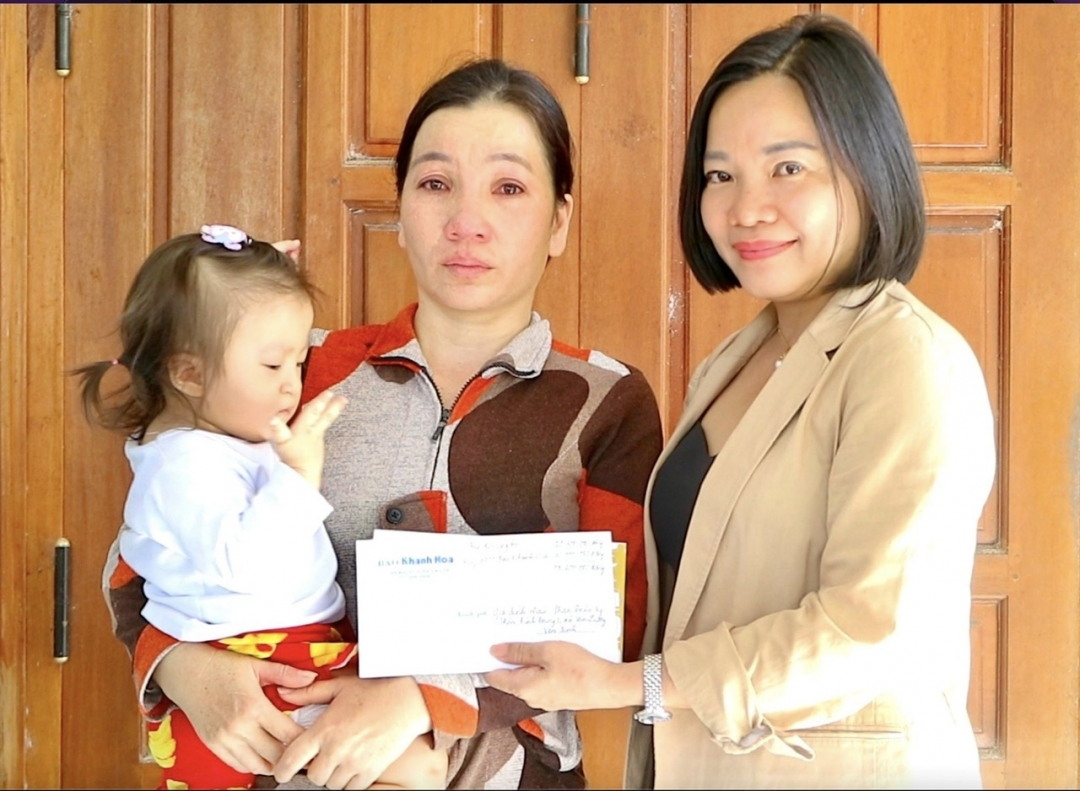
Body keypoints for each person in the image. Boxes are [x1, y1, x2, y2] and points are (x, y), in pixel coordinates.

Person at [102, 60, 664, 790]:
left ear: (559, 220)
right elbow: (146, 552)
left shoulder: (606, 399)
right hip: (286, 766)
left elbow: (614, 627)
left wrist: (422, 696)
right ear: (398, 209)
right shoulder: (299, 371)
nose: (467, 221)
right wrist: (182, 669)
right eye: (435, 184)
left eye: (509, 187)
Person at [483, 13, 996, 790]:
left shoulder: (906, 359)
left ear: (867, 167)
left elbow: (864, 631)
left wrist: (632, 683)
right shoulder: (738, 356)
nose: (745, 207)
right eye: (721, 175)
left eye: (787, 168)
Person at [83, 225, 448, 790]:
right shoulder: (181, 466)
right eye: (273, 365)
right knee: (418, 769)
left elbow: (226, 325)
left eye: (300, 362)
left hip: (293, 649)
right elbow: (242, 567)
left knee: (415, 766)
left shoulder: (222, 436)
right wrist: (299, 475)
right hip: (258, 660)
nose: (292, 385)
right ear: (189, 373)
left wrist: (256, 290)